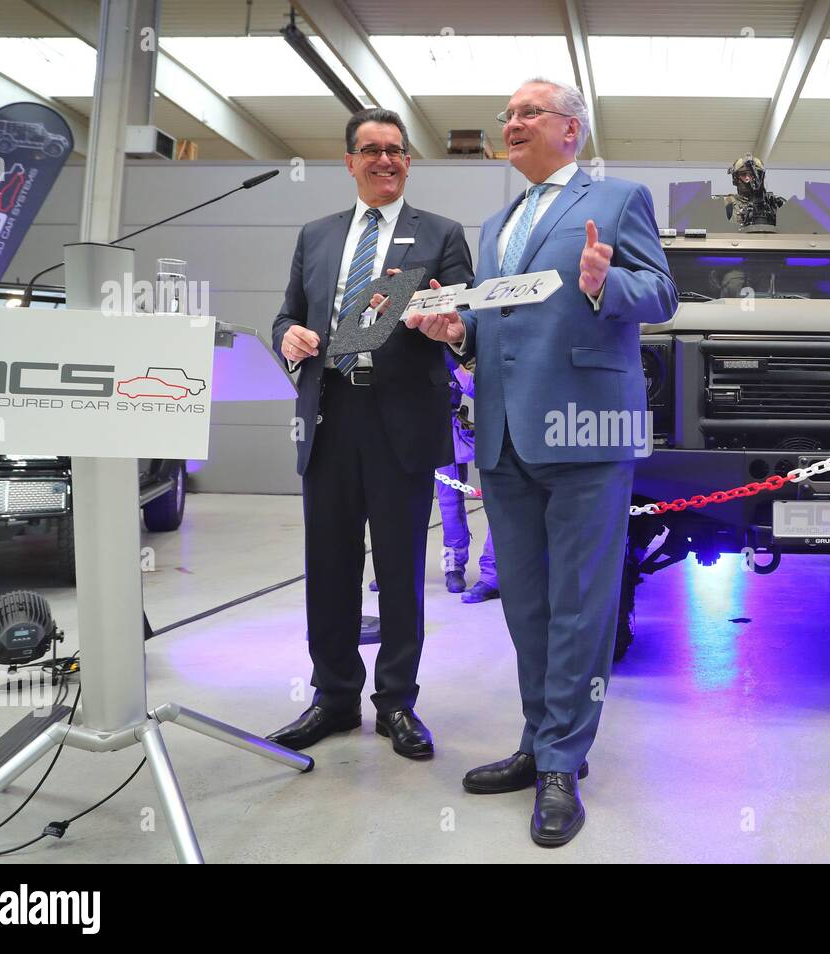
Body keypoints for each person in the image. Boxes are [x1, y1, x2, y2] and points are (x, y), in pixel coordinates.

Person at [407, 78, 676, 846]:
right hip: (504, 436)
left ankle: (563, 759)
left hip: (586, 432)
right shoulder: (494, 227)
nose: (512, 123)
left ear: (571, 129)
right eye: (508, 115)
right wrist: (456, 333)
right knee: (525, 602)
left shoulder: (618, 199)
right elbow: (497, 334)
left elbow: (661, 293)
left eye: (528, 113)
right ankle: (539, 740)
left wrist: (603, 282)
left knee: (581, 606)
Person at [267, 107, 473, 757]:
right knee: (328, 566)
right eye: (371, 149)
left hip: (401, 422)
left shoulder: (439, 234)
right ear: (349, 161)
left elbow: (466, 318)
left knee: (400, 569)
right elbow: (285, 318)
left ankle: (396, 703)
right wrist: (288, 340)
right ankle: (332, 698)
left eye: (396, 150)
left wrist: (455, 330)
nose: (385, 159)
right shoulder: (317, 236)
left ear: (408, 161)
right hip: (329, 418)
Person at [435, 355, 499, 603]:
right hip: (427, 427)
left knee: (499, 502)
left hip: (490, 427)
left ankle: (492, 574)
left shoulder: (472, 330)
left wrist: (455, 366)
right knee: (447, 504)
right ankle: (453, 565)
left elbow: (479, 389)